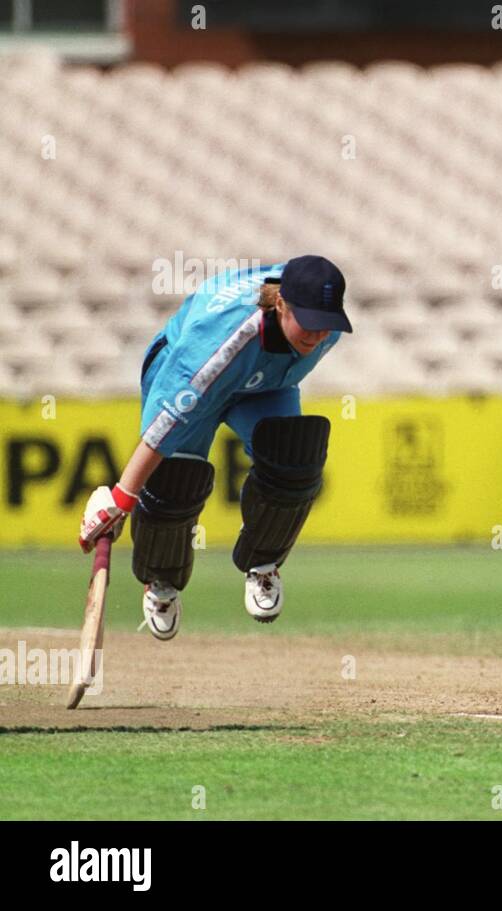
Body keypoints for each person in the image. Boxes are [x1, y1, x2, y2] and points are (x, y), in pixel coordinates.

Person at [77, 255, 352, 640]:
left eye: (327, 325)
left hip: (263, 385)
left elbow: (310, 323)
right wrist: (122, 498)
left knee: (296, 453)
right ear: (281, 304)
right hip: (190, 373)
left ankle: (263, 562)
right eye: (309, 323)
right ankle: (161, 581)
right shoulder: (224, 338)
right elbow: (166, 423)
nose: (318, 335)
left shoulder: (323, 327)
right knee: (175, 482)